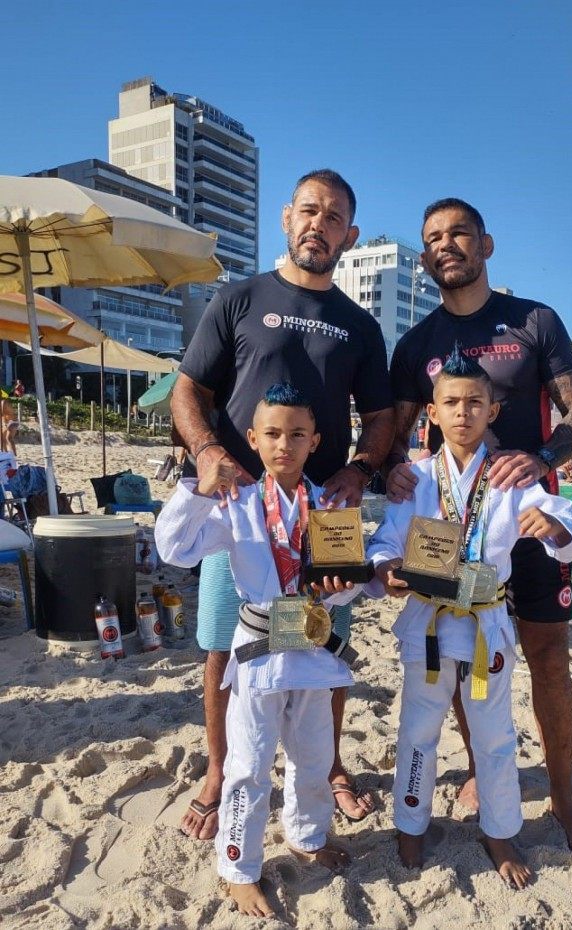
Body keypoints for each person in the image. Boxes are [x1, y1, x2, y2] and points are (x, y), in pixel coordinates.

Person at [170, 169, 394, 838]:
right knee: (222, 645)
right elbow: (188, 392)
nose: (317, 225)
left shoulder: (358, 326)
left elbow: (380, 416)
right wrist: (210, 454)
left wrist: (359, 468)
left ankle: (323, 767)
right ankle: (218, 770)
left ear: (348, 236)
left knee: (328, 649)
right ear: (285, 219)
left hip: (325, 514)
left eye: (332, 218)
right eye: (308, 211)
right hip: (240, 507)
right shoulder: (239, 299)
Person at [386, 197, 572, 860]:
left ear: (485, 245)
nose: (446, 245)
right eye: (433, 238)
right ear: (423, 258)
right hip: (451, 530)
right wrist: (394, 467)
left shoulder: (533, 321)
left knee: (545, 658)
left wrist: (538, 460)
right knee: (456, 652)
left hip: (524, 522)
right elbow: (394, 434)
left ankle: (563, 798)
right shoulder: (416, 342)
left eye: (459, 234)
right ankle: (485, 770)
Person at [365, 353, 572, 885]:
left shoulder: (511, 476)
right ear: (433, 414)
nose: (462, 412)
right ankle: (411, 822)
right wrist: (387, 567)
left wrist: (552, 527)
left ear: (493, 411)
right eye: (450, 403)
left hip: (488, 627)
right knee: (418, 728)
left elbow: (569, 526)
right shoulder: (413, 478)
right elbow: (384, 541)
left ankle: (500, 830)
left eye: (474, 403)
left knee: (493, 735)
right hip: (429, 624)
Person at [156, 384, 356, 917]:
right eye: (272, 434)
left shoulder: (331, 507)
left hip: (313, 650)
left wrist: (355, 582)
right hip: (259, 653)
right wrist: (198, 490)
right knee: (248, 762)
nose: (283, 444)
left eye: (296, 434)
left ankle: (307, 835)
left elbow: (356, 577)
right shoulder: (236, 505)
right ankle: (239, 866)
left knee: (314, 755)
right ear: (252, 439)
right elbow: (174, 549)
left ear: (315, 441)